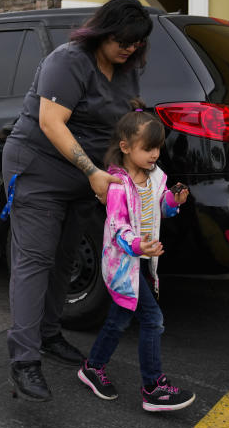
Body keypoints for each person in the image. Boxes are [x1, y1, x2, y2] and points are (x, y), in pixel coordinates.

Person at [2, 0, 152, 401]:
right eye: (123, 39)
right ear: (104, 30)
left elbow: (124, 120)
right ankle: (24, 360)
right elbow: (52, 122)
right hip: (39, 167)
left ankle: (49, 335)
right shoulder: (68, 60)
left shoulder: (125, 70)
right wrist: (93, 172)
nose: (129, 48)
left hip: (87, 176)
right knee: (35, 259)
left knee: (65, 256)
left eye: (136, 43)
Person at [76, 103, 195, 411]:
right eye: (147, 148)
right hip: (122, 263)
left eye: (157, 148)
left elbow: (161, 209)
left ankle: (92, 367)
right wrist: (139, 246)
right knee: (152, 319)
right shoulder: (117, 185)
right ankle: (154, 388)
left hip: (141, 261)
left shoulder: (155, 177)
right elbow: (118, 229)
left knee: (119, 319)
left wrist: (174, 199)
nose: (154, 155)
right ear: (125, 147)